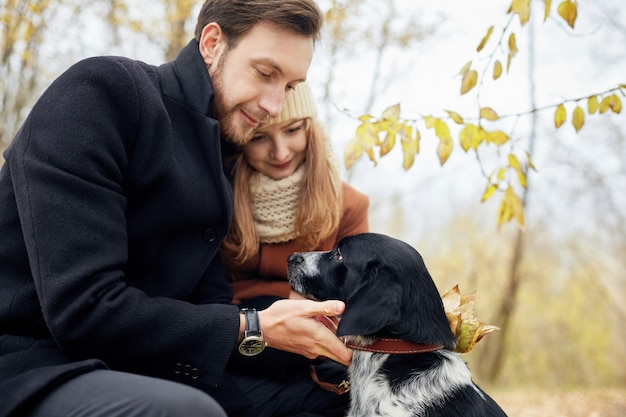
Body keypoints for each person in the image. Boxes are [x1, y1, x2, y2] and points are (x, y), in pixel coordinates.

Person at [0, 1, 354, 416]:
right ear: (212, 42)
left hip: (146, 366)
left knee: (349, 396)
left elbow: (209, 314)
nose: (274, 107)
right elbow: (84, 310)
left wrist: (326, 341)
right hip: (33, 365)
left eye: (291, 86)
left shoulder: (217, 156)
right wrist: (255, 326)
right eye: (265, 73)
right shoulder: (104, 92)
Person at [220, 82, 369, 397]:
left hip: (317, 350)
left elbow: (354, 297)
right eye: (259, 137)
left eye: (293, 130)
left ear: (310, 129)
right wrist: (289, 296)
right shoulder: (220, 195)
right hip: (238, 341)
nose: (280, 152)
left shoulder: (348, 205)